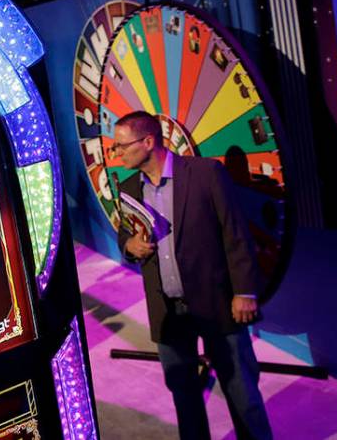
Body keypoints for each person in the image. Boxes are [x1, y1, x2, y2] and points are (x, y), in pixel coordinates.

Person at [113, 110, 273, 440]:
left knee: (243, 396)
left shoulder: (205, 174)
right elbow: (124, 235)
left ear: (147, 141)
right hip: (168, 312)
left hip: (216, 304)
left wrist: (244, 292)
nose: (116, 154)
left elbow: (235, 233)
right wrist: (130, 245)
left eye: (121, 146)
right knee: (185, 398)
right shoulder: (129, 188)